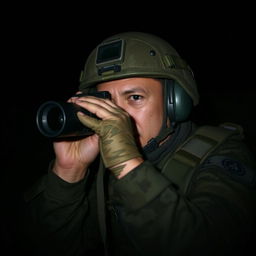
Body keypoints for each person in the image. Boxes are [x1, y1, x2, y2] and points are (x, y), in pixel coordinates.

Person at [18, 32, 256, 256]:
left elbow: (204, 245)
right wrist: (69, 172)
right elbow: (50, 245)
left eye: (134, 98)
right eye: (107, 102)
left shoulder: (222, 152)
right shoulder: (103, 170)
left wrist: (126, 162)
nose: (116, 116)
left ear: (175, 102)